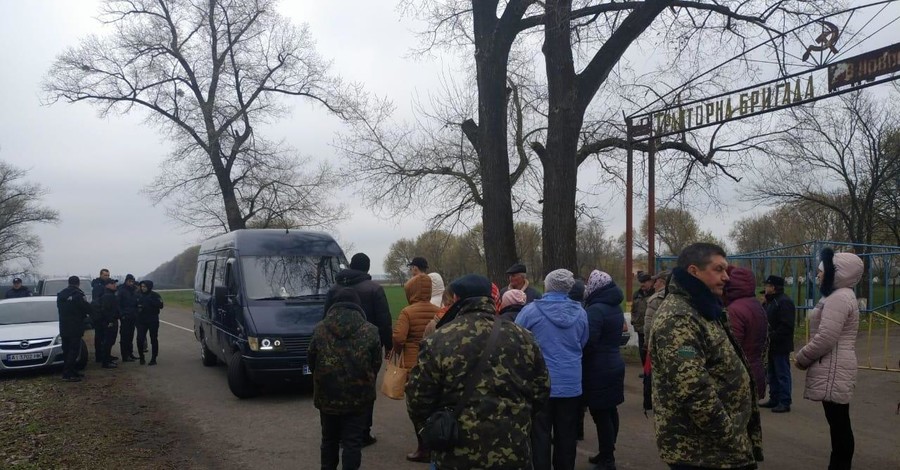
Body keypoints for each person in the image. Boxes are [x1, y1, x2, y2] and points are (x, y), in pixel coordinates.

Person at [406, 274, 550, 470]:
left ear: (456, 299)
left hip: (456, 452)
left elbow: (418, 399)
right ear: (493, 299)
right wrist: (518, 417)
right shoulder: (524, 337)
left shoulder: (438, 340)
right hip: (512, 449)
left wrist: (434, 427)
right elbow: (541, 389)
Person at [650, 243, 762, 470]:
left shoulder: (704, 308)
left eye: (726, 270)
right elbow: (694, 392)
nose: (726, 277)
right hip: (701, 452)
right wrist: (730, 438)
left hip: (718, 450)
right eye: (718, 270)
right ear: (694, 271)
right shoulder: (679, 316)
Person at [794, 248, 862, 470]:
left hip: (834, 367)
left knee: (840, 425)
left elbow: (826, 338)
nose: (819, 275)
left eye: (822, 271)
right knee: (839, 423)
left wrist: (802, 357)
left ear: (836, 273)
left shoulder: (839, 298)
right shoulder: (840, 295)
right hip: (836, 364)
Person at [516, 268, 589, 470]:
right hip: (571, 383)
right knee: (567, 435)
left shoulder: (530, 311)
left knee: (539, 435)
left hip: (539, 383)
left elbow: (517, 342)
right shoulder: (581, 313)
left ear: (546, 285)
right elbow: (583, 341)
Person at [308, 288, 382, 470]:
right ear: (358, 306)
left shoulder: (319, 329)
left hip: (327, 396)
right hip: (359, 397)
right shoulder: (370, 330)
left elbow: (311, 361)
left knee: (329, 439)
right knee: (352, 442)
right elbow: (376, 363)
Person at [328, 252, 392, 446]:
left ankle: (339, 432)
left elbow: (325, 317)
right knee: (365, 388)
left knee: (338, 387)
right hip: (367, 346)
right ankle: (363, 432)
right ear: (367, 268)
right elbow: (384, 320)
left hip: (336, 347)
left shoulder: (334, 289)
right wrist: (388, 345)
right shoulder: (374, 289)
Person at [392, 273, 440, 462]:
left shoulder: (407, 312)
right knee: (435, 405)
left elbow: (399, 338)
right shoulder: (438, 310)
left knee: (417, 408)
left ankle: (423, 448)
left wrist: (398, 350)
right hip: (435, 363)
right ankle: (436, 444)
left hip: (413, 364)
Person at [581, 270, 626, 470]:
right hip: (613, 362)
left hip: (598, 367)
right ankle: (607, 452)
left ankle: (608, 459)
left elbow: (589, 341)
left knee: (600, 413)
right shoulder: (614, 305)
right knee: (610, 410)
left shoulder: (596, 310)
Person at [723, 266, 769, 401]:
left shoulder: (734, 310)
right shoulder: (755, 305)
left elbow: (731, 348)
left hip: (739, 374)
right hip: (755, 368)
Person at [759, 275, 796, 413]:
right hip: (771, 344)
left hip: (780, 344)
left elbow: (787, 325)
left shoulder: (783, 302)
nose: (765, 288)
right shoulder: (771, 302)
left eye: (767, 285)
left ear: (773, 287)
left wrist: (772, 336)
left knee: (782, 373)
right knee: (772, 373)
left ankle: (784, 401)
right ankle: (774, 398)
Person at [642, 269, 670, 413]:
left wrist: (647, 343)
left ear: (663, 282)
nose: (654, 284)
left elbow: (649, 324)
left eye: (657, 281)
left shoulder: (656, 299)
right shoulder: (682, 296)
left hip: (658, 344)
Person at [56, 276, 92, 382]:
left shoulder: (61, 294)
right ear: (78, 283)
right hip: (75, 326)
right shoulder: (78, 294)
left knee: (66, 350)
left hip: (63, 326)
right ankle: (67, 374)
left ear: (69, 283)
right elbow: (86, 308)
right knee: (74, 351)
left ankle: (71, 371)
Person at [136, 280, 163, 365]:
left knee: (153, 339)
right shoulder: (138, 295)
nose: (143, 288)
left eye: (145, 286)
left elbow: (161, 305)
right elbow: (133, 305)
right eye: (142, 286)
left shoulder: (155, 295)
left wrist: (150, 302)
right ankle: (141, 357)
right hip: (141, 320)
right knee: (140, 339)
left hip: (152, 319)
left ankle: (154, 358)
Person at [632, 272, 654, 371]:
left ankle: (651, 371)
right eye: (641, 282)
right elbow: (633, 310)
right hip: (640, 328)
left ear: (650, 282)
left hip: (652, 328)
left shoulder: (655, 294)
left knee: (652, 352)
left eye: (645, 282)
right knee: (642, 352)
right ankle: (645, 371)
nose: (642, 284)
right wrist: (634, 321)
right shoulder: (636, 294)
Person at [98, 278, 121, 369]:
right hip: (109, 322)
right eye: (112, 284)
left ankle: (108, 358)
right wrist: (110, 321)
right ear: (107, 285)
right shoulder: (107, 296)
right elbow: (105, 310)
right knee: (108, 342)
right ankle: (105, 362)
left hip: (112, 321)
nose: (115, 285)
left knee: (110, 341)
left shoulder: (111, 294)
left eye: (115, 283)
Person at [117, 274, 140, 362]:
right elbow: (118, 304)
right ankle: (125, 355)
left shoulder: (134, 291)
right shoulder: (122, 290)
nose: (131, 283)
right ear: (126, 281)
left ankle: (130, 353)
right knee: (124, 337)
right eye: (129, 281)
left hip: (133, 316)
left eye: (132, 281)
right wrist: (122, 315)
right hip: (125, 316)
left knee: (130, 336)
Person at [90, 268, 111, 361]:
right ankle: (99, 356)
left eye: (108, 275)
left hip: (105, 314)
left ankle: (106, 354)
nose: (107, 277)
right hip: (99, 315)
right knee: (99, 336)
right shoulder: (98, 286)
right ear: (101, 275)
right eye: (105, 275)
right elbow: (97, 301)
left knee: (105, 336)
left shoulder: (105, 285)